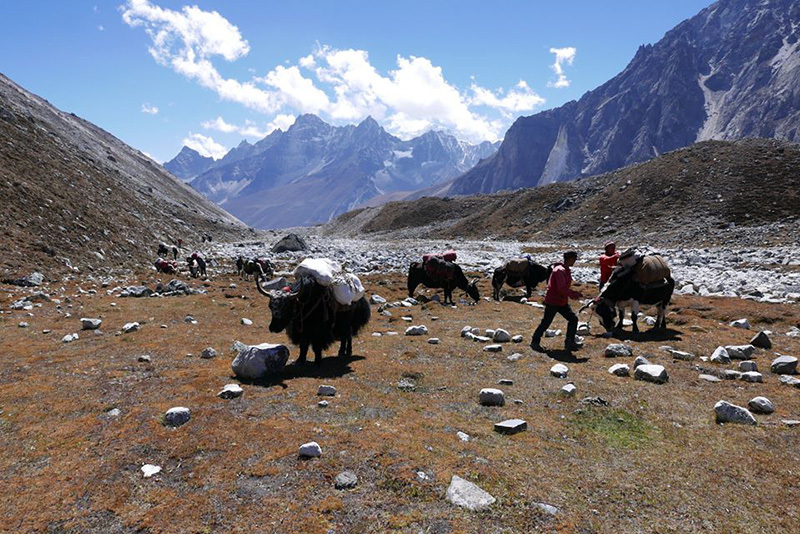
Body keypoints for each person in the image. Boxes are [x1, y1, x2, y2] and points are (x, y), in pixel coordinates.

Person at [530, 251, 585, 352]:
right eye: (574, 258)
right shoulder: (559, 270)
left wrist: (572, 294)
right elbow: (561, 288)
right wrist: (573, 294)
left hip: (561, 300)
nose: (575, 261)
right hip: (554, 301)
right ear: (569, 258)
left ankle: (570, 342)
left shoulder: (565, 269)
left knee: (573, 319)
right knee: (546, 322)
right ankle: (535, 342)